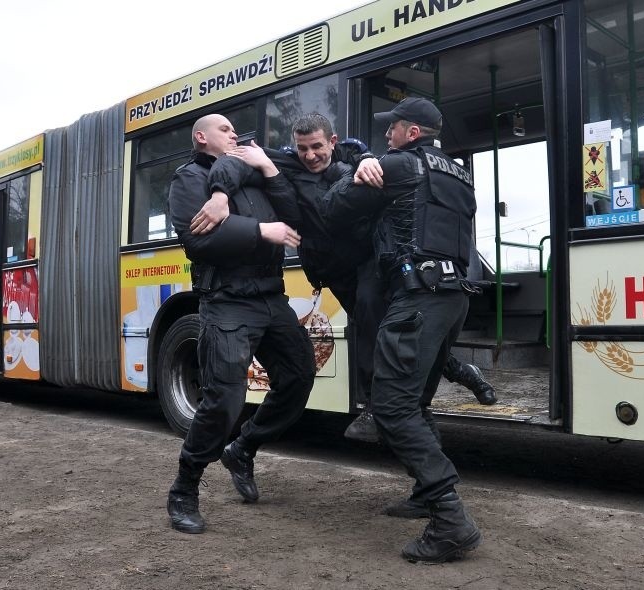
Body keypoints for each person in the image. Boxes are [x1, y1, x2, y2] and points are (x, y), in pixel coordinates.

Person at [194, 113, 496, 446]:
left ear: (332, 142)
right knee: (385, 333)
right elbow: (231, 163)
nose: (310, 156)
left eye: (317, 147)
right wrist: (220, 195)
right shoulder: (287, 161)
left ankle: (371, 405)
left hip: (368, 260)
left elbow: (363, 153)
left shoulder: (350, 154)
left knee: (374, 315)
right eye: (303, 148)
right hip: (333, 270)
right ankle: (461, 371)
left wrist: (367, 159)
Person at [324, 97, 483, 563]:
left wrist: (359, 161)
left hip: (418, 298)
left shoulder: (399, 165)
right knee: (416, 401)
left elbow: (334, 207)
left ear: (412, 132)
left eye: (392, 128)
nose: (387, 134)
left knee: (391, 406)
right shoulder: (458, 173)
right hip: (453, 298)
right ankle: (422, 495)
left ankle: (450, 519)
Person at [165, 114, 316, 535]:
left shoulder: (252, 169)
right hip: (227, 303)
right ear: (202, 137)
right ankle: (184, 489)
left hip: (271, 299)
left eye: (235, 130)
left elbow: (292, 219)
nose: (235, 134)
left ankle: (243, 449)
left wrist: (268, 169)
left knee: (299, 377)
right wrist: (260, 230)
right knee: (223, 401)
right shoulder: (189, 179)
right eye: (225, 129)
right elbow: (197, 242)